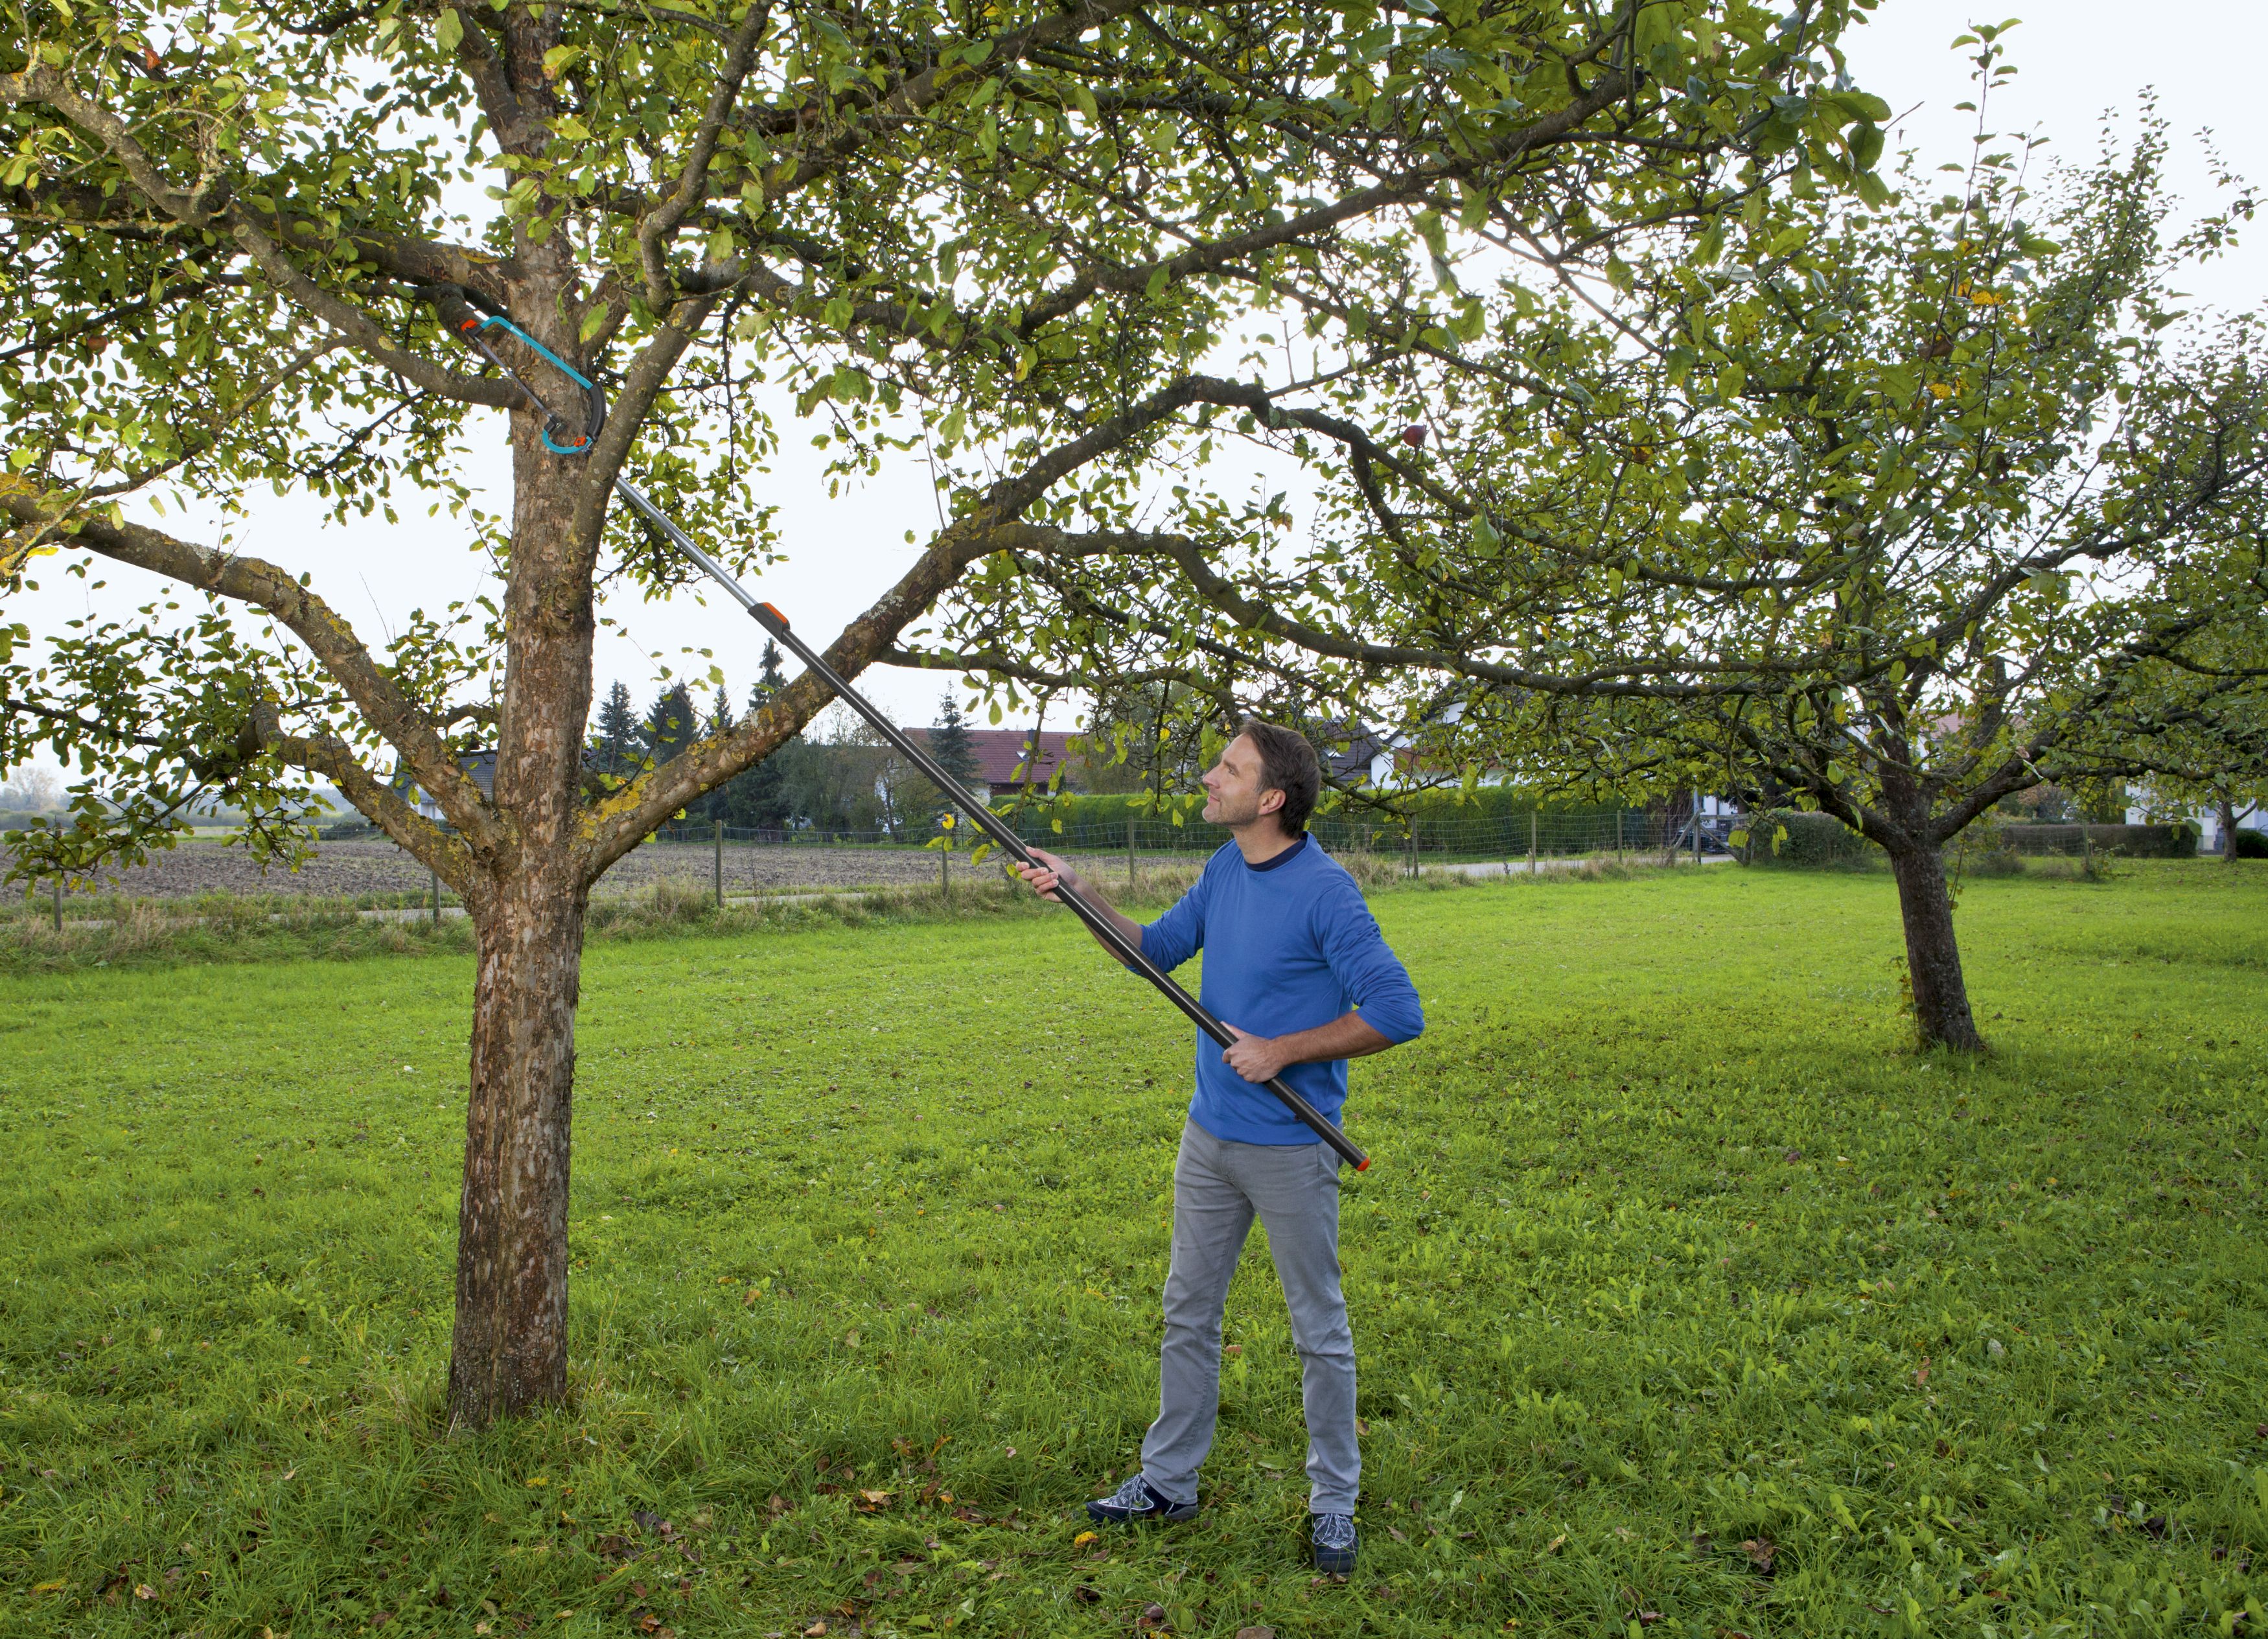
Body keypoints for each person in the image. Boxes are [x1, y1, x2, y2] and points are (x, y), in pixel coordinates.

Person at [1016, 719, 1424, 1575]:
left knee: (1319, 1330)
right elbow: (1156, 954)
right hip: (1210, 1134)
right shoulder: (1224, 866)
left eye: (1228, 768)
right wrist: (1078, 890)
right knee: (1187, 1312)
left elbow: (1396, 1010)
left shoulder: (1326, 892)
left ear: (1270, 798)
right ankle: (1168, 1482)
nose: (1209, 775)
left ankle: (1334, 1503)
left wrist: (1282, 1049)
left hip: (1287, 1145)